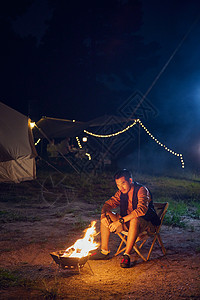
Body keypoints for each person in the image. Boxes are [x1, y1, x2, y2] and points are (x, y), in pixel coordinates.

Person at [90, 169, 160, 268]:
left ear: (130, 181)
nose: (121, 188)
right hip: (127, 223)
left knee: (134, 219)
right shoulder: (121, 192)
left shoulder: (141, 190)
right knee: (107, 215)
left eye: (123, 183)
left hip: (146, 224)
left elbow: (141, 210)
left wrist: (120, 221)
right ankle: (104, 252)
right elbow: (108, 204)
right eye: (118, 185)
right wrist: (103, 215)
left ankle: (126, 255)